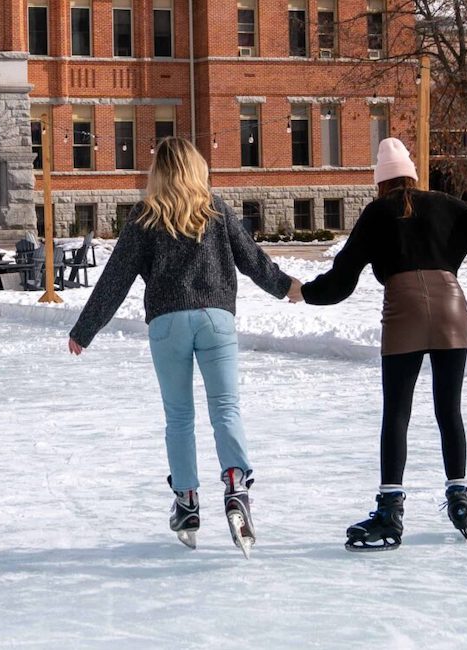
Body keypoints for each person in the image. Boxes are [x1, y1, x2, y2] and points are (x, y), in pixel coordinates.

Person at [295, 138, 467, 552]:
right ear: (413, 175)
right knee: (448, 408)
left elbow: (343, 278)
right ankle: (459, 496)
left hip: (404, 311)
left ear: (380, 181)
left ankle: (390, 509)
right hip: (452, 306)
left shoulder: (378, 212)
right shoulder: (447, 204)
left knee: (397, 411)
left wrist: (304, 292)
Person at [66, 137, 303, 553]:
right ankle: (235, 484)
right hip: (216, 319)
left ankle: (188, 501)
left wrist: (84, 330)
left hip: (168, 323)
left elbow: (114, 280)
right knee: (225, 408)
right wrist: (287, 287)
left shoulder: (145, 215)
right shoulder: (216, 210)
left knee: (179, 417)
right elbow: (253, 260)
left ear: (159, 172)